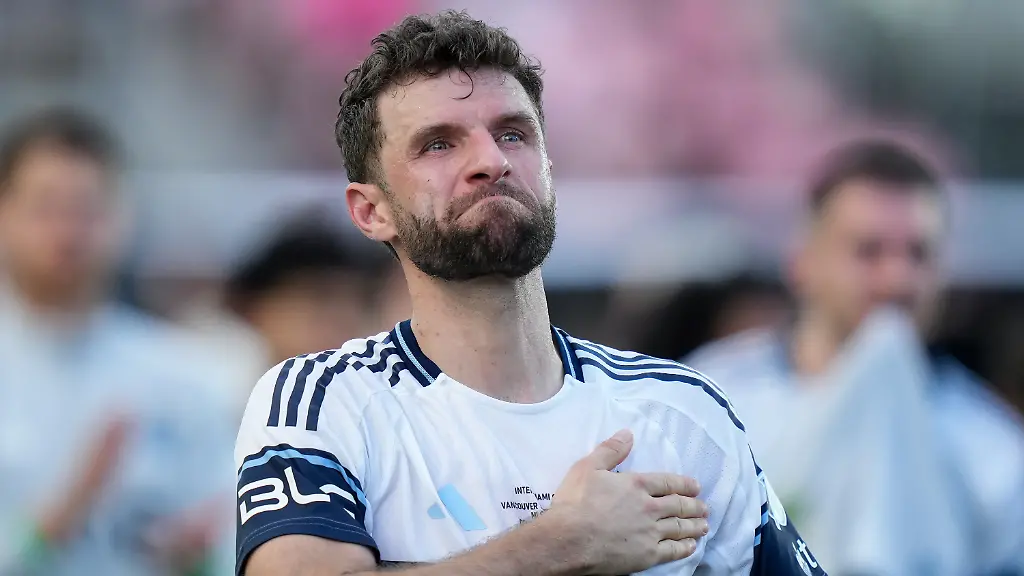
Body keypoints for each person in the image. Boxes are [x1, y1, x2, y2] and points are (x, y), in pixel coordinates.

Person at [233, 11, 826, 576]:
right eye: (438, 144)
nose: (490, 161)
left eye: (513, 133)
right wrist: (560, 544)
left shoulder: (684, 411)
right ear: (371, 210)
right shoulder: (324, 401)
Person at [686, 140, 1024, 575]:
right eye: (869, 251)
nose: (897, 278)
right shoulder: (710, 402)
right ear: (803, 260)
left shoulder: (990, 445)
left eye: (918, 253)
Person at [0, 108, 236, 575]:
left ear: (123, 217)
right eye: (46, 208)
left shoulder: (185, 375)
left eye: (86, 209)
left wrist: (198, 553)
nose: (67, 233)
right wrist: (50, 527)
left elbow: (225, 539)